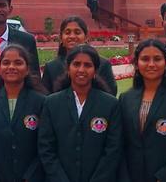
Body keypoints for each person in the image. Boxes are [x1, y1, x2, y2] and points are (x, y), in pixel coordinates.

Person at [38, 44, 122, 182]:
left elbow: (113, 149)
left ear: (95, 70)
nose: (81, 69)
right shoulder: (51, 103)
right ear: (68, 68)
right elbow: (46, 147)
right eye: (76, 64)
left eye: (88, 65)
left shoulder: (110, 104)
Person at [118, 39, 166, 182]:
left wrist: (163, 177)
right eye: (145, 59)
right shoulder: (126, 99)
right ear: (136, 63)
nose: (151, 64)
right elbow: (119, 144)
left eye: (157, 59)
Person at [0, 44, 47, 182]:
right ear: (0, 68)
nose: (11, 67)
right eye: (6, 63)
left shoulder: (42, 102)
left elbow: (45, 146)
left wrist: (29, 178)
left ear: (27, 69)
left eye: (18, 63)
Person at [41, 17, 117, 96]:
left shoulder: (103, 64)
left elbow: (110, 95)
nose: (72, 36)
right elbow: (46, 99)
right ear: (61, 38)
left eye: (77, 32)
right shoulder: (51, 67)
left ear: (86, 37)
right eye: (67, 33)